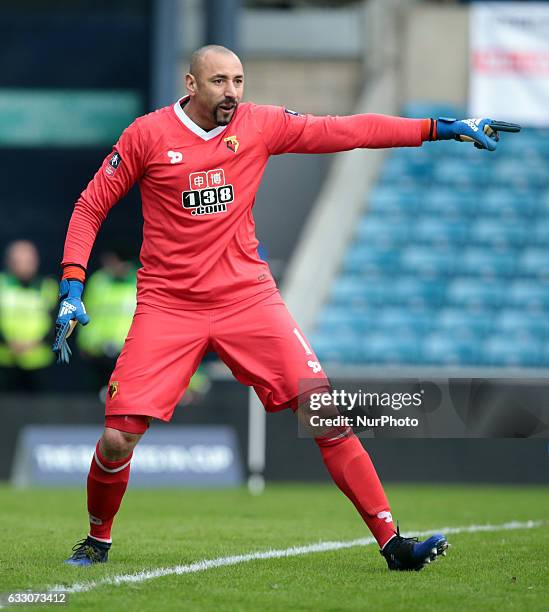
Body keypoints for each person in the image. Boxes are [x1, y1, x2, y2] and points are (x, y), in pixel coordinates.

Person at [54, 45, 519, 569]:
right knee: (117, 438)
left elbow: (348, 130)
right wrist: (72, 285)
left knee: (325, 412)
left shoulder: (261, 124)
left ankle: (394, 545)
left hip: (247, 299)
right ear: (190, 84)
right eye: (219, 82)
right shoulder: (147, 135)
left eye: (238, 80)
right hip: (170, 305)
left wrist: (438, 127)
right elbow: (90, 205)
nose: (232, 92)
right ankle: (97, 540)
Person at [0, 240, 57, 392]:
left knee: (36, 410)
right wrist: (8, 342)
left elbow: (57, 323)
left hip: (38, 361)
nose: (23, 266)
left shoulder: (48, 286)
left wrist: (36, 343)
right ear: (8, 262)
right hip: (5, 359)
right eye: (18, 261)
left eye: (28, 261)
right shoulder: (2, 284)